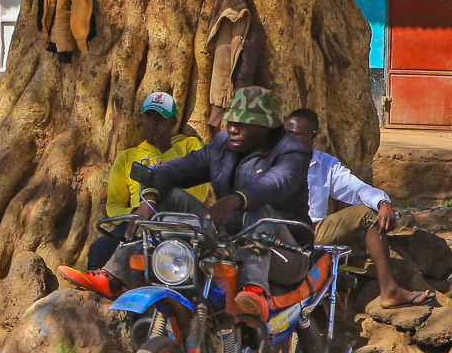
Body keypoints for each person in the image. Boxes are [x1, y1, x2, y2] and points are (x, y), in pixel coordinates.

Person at [60, 86, 311, 322]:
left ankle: (254, 290)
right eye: (232, 121)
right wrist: (148, 201)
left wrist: (236, 199)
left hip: (285, 251)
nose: (233, 128)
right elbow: (173, 170)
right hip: (229, 239)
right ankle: (113, 276)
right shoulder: (222, 145)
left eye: (244, 123)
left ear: (267, 126)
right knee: (168, 196)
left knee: (261, 211)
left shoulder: (292, 149)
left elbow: (277, 183)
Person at [284, 107, 432, 309]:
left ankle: (389, 290)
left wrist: (383, 202)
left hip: (313, 232)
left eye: (296, 135)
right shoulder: (272, 160)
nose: (289, 140)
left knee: (370, 212)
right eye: (287, 134)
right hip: (277, 231)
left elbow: (358, 189)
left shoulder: (325, 164)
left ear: (313, 135)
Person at [86, 92, 210, 270]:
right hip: (138, 222)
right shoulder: (128, 157)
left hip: (177, 221)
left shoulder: (189, 146)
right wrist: (135, 212)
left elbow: (198, 193)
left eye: (161, 117)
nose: (154, 122)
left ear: (173, 123)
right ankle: (96, 293)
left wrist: (167, 149)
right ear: (142, 120)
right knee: (100, 248)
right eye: (150, 116)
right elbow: (113, 206)